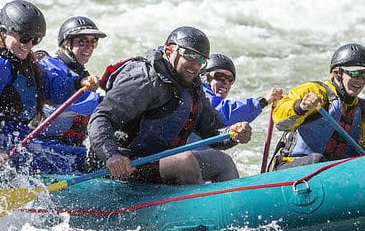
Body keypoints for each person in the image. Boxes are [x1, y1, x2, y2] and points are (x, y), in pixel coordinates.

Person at [87, 26, 253, 185]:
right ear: (169, 51)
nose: (195, 65)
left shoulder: (193, 86)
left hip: (154, 161)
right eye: (189, 55)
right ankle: (195, 211)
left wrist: (232, 133)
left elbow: (212, 131)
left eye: (201, 59)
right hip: (120, 163)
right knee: (184, 161)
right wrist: (111, 155)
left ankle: (231, 210)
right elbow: (100, 118)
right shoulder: (144, 79)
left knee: (221, 161)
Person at [0, 0, 95, 173]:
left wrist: (78, 83)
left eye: (36, 40)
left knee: (76, 157)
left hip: (18, 136)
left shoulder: (27, 62)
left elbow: (53, 91)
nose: (29, 45)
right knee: (69, 164)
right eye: (24, 38)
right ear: (3, 31)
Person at [269, 42, 365, 169]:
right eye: (354, 73)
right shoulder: (315, 91)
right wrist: (300, 107)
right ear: (336, 73)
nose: (360, 80)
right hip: (294, 169)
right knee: (318, 160)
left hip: (336, 175)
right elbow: (280, 121)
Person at [32, 15, 108, 173]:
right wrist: (107, 102)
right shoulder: (49, 66)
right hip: (44, 152)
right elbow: (61, 95)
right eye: (82, 41)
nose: (88, 47)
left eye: (92, 42)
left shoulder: (80, 73)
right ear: (66, 43)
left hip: (71, 152)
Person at [200, 53, 283, 125]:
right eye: (220, 76)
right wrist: (264, 101)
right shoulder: (201, 92)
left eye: (230, 79)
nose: (226, 82)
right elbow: (226, 113)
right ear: (204, 77)